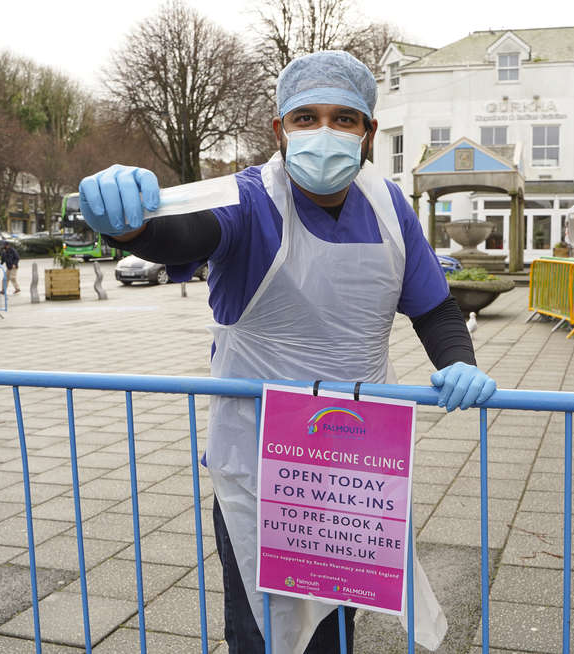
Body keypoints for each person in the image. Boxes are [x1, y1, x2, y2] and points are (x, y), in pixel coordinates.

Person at [78, 50, 496, 654]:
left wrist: (459, 362)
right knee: (264, 621)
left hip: (357, 459)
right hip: (262, 460)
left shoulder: (389, 206)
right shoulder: (249, 200)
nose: (323, 132)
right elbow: (182, 235)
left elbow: (431, 305)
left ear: (369, 132)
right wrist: (128, 227)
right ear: (279, 129)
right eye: (305, 117)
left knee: (339, 616)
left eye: (344, 118)